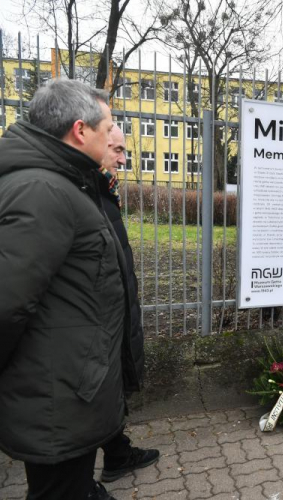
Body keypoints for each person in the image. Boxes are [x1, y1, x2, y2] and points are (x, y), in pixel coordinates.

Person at [0, 79, 133, 500]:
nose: (112, 135)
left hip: (67, 388)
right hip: (56, 395)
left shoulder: (61, 182)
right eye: (107, 125)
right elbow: (7, 303)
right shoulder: (43, 190)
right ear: (80, 130)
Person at [98, 126, 160, 482]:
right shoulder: (84, 190)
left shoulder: (103, 188)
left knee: (110, 387)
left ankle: (117, 453)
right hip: (97, 319)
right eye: (117, 149)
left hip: (113, 310)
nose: (123, 158)